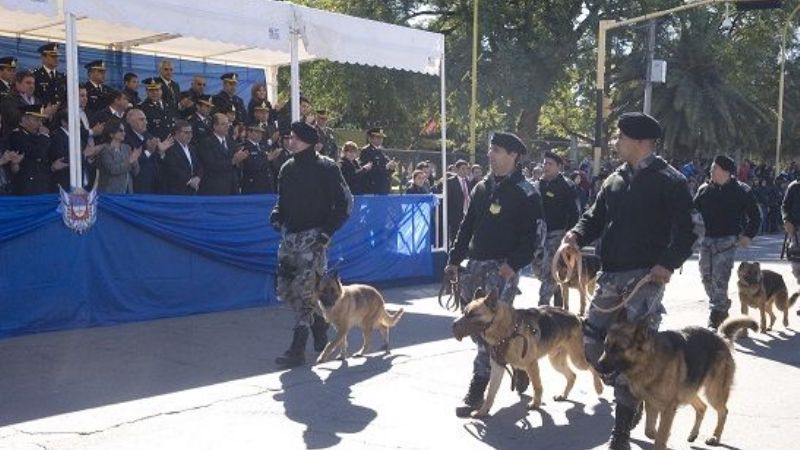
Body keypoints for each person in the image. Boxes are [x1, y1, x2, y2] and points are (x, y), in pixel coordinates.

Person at [562, 112, 695, 450]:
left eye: (620, 137)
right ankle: (631, 397)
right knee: (592, 343)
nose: (615, 143)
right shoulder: (614, 179)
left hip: (645, 280)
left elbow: (691, 229)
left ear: (639, 141)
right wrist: (574, 236)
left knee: (628, 351)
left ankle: (621, 429)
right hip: (610, 277)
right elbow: (594, 216)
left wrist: (668, 263)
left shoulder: (671, 180)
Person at [445, 131, 544, 418]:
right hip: (474, 268)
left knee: (490, 331)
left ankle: (477, 390)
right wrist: (454, 259)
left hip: (503, 271)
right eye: (490, 149)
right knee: (475, 330)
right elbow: (467, 227)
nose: (490, 154)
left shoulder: (527, 192)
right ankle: (517, 363)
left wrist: (513, 264)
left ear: (514, 155)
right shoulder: (482, 187)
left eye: (497, 150)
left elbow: (535, 236)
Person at [270, 121, 353, 368]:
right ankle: (320, 327)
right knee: (286, 289)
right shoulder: (287, 168)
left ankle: (297, 348)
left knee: (306, 292)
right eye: (289, 137)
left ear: (306, 141)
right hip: (290, 239)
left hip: (314, 239)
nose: (289, 141)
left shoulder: (326, 167)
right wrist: (276, 215)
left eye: (294, 137)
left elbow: (345, 203)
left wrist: (327, 232)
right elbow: (281, 201)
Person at [693, 155, 761, 329]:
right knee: (706, 277)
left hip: (727, 242)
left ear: (726, 171)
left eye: (715, 168)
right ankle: (720, 307)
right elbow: (692, 213)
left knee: (720, 279)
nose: (711, 170)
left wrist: (748, 235)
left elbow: (755, 216)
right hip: (705, 241)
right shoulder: (704, 190)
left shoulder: (741, 191)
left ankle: (717, 313)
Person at [533, 151, 580, 307]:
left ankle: (542, 305)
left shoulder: (567, 186)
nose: (546, 166)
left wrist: (571, 237)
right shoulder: (536, 185)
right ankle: (558, 294)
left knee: (549, 272)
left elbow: (575, 213)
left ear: (559, 167)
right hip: (538, 237)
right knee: (538, 269)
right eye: (544, 163)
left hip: (557, 235)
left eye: (550, 164)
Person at [197, 113, 247, 195]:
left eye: (228, 124)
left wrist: (240, 160)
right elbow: (211, 164)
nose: (227, 126)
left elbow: (236, 164)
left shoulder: (231, 142)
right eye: (223, 124)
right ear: (215, 126)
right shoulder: (206, 143)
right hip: (215, 188)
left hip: (232, 187)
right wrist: (232, 161)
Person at [8, 104, 51, 195]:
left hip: (40, 184)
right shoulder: (17, 136)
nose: (40, 124)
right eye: (36, 120)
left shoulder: (34, 136)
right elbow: (37, 153)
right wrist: (44, 136)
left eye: (40, 120)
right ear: (24, 120)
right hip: (26, 186)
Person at [96, 119, 141, 194]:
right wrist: (129, 161)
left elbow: (136, 172)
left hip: (128, 191)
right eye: (120, 131)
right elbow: (112, 170)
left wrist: (135, 161)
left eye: (124, 130)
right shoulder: (105, 150)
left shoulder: (127, 148)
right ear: (111, 134)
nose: (124, 133)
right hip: (110, 193)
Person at [159, 120, 200, 195]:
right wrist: (189, 181)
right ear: (177, 133)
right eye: (186, 133)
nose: (190, 135)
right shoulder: (170, 148)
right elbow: (172, 168)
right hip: (175, 191)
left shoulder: (192, 148)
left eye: (191, 132)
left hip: (192, 190)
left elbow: (198, 165)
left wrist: (198, 177)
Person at [440, 160, 472, 244]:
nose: (465, 171)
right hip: (454, 214)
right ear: (457, 170)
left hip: (466, 212)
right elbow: (447, 200)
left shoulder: (468, 182)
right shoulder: (450, 182)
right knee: (454, 236)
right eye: (463, 169)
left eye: (466, 169)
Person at [358, 127, 396, 194]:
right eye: (378, 137)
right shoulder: (366, 151)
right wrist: (386, 167)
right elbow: (369, 170)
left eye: (381, 138)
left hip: (383, 188)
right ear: (370, 138)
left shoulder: (380, 151)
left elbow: (386, 169)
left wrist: (391, 168)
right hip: (373, 188)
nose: (381, 140)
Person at [239, 123, 275, 194]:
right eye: (257, 132)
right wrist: (267, 159)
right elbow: (251, 165)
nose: (260, 135)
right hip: (253, 185)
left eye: (261, 132)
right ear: (249, 132)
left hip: (266, 184)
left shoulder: (263, 146)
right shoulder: (245, 147)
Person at [32, 43, 66, 107]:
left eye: (57, 56)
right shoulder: (36, 75)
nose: (56, 59)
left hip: (61, 114)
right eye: (53, 56)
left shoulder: (63, 77)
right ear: (43, 58)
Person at [782, 179, 800, 294]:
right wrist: (786, 220)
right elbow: (784, 206)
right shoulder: (793, 186)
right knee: (796, 268)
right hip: (796, 231)